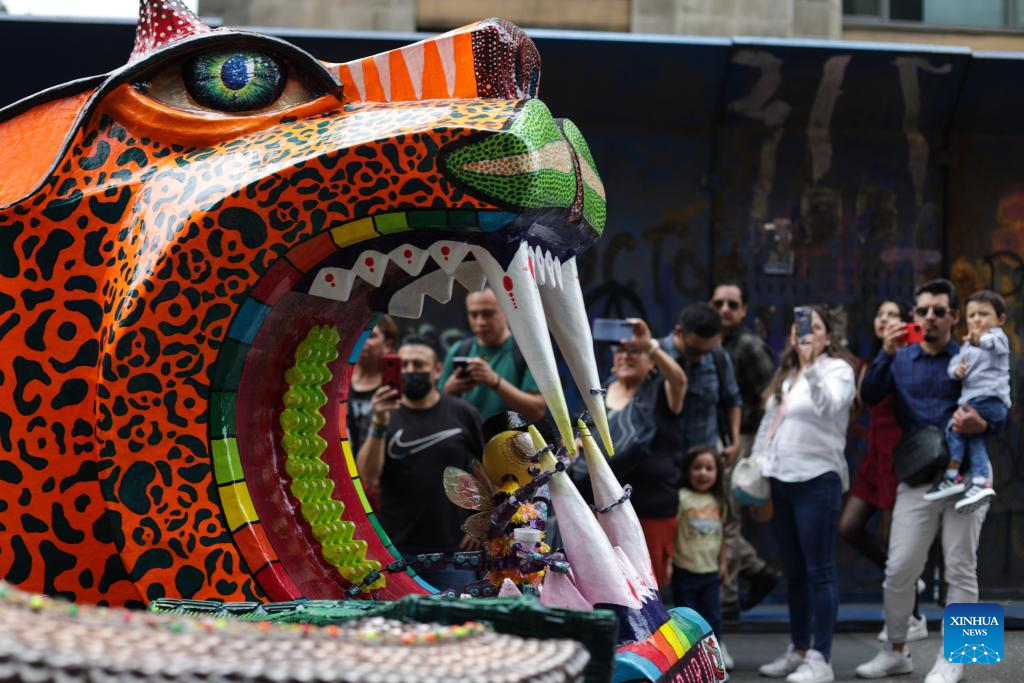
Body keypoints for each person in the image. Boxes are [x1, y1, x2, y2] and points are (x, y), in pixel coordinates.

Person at [856, 278, 991, 683]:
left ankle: (960, 659)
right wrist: (885, 352)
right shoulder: (900, 357)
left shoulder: (973, 356)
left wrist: (984, 421)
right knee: (899, 568)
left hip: (967, 473)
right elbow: (870, 395)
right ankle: (895, 650)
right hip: (918, 473)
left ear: (953, 315)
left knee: (962, 567)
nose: (928, 317)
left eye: (938, 310)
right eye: (922, 311)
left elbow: (1000, 400)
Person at [755, 307, 857, 683]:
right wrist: (755, 466)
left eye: (816, 328)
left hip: (818, 480)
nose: (808, 334)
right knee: (794, 571)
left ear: (828, 337)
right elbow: (770, 424)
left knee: (820, 571)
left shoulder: (838, 371)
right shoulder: (788, 375)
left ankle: (821, 657)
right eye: (802, 328)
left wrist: (812, 365)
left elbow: (829, 406)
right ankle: (799, 648)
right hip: (782, 480)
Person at [355, 335, 484, 592]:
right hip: (396, 551)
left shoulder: (462, 413)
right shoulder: (380, 415)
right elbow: (367, 476)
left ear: (437, 370)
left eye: (418, 365)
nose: (410, 371)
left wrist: (483, 522)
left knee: (459, 629)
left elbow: (491, 469)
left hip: (454, 553)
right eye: (403, 365)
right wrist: (379, 422)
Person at [840, 300, 928, 643]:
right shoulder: (872, 361)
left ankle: (914, 617)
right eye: (880, 315)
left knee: (902, 543)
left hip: (903, 453)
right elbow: (864, 400)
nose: (885, 320)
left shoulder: (912, 354)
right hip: (875, 454)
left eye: (893, 315)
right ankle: (910, 589)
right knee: (850, 526)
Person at [586, 317, 687, 591]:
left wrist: (650, 345)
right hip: (605, 509)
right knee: (609, 588)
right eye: (620, 350)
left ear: (652, 362)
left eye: (635, 351)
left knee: (648, 591)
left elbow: (679, 379)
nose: (627, 355)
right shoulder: (598, 394)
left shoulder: (661, 391)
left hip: (651, 510)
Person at [710, 281, 781, 618]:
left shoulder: (751, 347)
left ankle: (728, 601)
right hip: (716, 441)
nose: (725, 310)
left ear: (743, 311)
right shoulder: (711, 343)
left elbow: (774, 399)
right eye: (719, 303)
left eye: (732, 304)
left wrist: (760, 451)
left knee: (727, 521)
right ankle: (756, 572)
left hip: (745, 440)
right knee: (721, 518)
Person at [923, 289, 1009, 512]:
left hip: (989, 400)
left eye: (983, 314)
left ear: (1000, 319)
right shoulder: (967, 346)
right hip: (977, 401)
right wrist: (957, 371)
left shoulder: (997, 338)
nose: (977, 319)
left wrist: (979, 340)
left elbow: (991, 344)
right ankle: (980, 481)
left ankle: (953, 476)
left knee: (955, 428)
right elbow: (953, 364)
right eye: (972, 315)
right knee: (973, 438)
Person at [439, 288, 546, 422]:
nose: (480, 322)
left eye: (488, 314)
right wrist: (449, 390)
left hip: (513, 441)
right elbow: (434, 408)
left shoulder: (527, 352)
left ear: (507, 311)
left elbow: (537, 411)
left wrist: (495, 381)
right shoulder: (457, 350)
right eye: (473, 315)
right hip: (468, 441)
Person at [669, 445, 729, 667]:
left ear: (717, 473)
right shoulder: (682, 498)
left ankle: (716, 655)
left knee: (713, 616)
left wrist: (723, 563)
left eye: (709, 468)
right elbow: (672, 532)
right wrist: (668, 562)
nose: (703, 473)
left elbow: (722, 535)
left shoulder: (719, 500)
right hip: (684, 569)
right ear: (687, 471)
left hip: (710, 572)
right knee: (685, 619)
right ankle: (690, 658)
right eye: (697, 468)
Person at [346, 315, 398, 459]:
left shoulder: (393, 385)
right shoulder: (341, 378)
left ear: (387, 344)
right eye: (359, 335)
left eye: (371, 336)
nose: (362, 341)